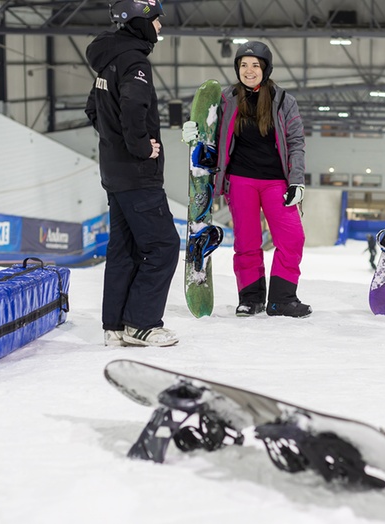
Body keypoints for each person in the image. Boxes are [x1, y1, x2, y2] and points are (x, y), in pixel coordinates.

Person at [183, 41, 310, 318]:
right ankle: (250, 299)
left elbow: (296, 142)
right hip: (240, 181)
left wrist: (296, 181)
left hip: (277, 182)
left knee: (292, 238)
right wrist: (193, 132)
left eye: (255, 65)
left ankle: (281, 299)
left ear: (266, 68)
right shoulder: (226, 99)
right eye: (243, 65)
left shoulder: (283, 100)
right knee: (247, 243)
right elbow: (210, 134)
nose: (249, 70)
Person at [85, 0, 180, 347]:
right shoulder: (134, 61)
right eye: (156, 21)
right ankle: (141, 323)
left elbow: (92, 108)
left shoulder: (107, 60)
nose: (159, 28)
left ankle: (115, 326)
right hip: (138, 173)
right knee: (164, 246)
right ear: (140, 22)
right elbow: (134, 106)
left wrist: (114, 142)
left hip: (114, 171)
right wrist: (140, 147)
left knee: (124, 248)